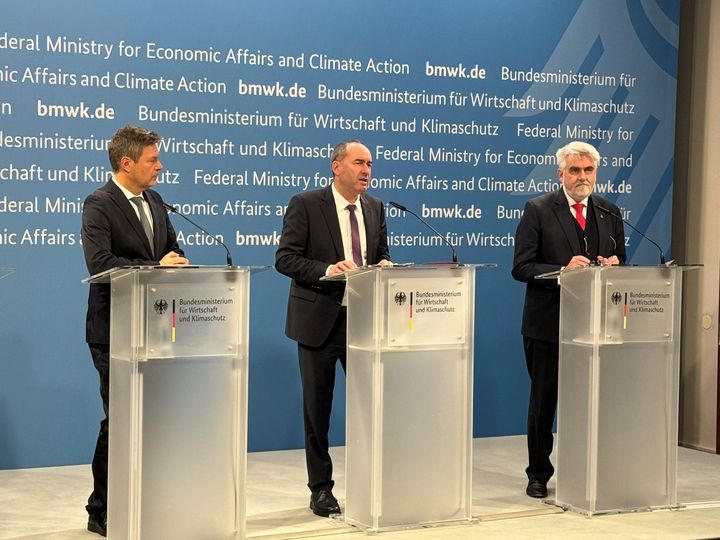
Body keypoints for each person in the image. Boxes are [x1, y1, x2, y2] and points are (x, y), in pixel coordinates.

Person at [81, 124, 189, 536]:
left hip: (156, 326)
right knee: (121, 419)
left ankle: (149, 499)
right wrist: (154, 268)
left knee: (154, 419)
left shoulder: (156, 200)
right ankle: (101, 508)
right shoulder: (99, 203)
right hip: (114, 330)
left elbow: (171, 249)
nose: (160, 166)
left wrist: (177, 261)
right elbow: (100, 265)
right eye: (152, 160)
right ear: (127, 163)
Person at [275, 140, 391, 517]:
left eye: (370, 164)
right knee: (318, 412)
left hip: (363, 323)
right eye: (359, 162)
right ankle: (321, 489)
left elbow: (380, 253)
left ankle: (372, 481)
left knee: (370, 407)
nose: (366, 170)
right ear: (336, 166)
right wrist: (327, 270)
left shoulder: (374, 207)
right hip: (319, 324)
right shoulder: (307, 204)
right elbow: (285, 258)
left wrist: (385, 265)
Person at [511, 140, 626, 499]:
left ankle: (586, 467)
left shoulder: (609, 212)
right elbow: (522, 267)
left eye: (588, 170)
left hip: (593, 325)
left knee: (590, 401)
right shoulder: (539, 209)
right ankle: (538, 473)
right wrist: (563, 269)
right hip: (548, 324)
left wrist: (614, 265)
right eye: (574, 170)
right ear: (560, 173)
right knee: (544, 402)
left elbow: (620, 256)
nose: (582, 177)